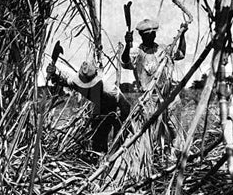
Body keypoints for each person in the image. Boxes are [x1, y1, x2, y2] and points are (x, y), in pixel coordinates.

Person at [121, 18, 188, 157]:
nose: (151, 37)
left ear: (155, 35)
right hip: (149, 98)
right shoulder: (136, 53)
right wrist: (127, 44)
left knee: (175, 128)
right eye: (147, 35)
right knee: (150, 131)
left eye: (153, 34)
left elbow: (180, 54)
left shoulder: (163, 49)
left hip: (169, 96)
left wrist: (182, 35)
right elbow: (125, 62)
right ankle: (153, 158)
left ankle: (175, 157)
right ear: (141, 36)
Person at [46, 60, 130, 154]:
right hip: (99, 108)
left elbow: (126, 106)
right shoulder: (77, 81)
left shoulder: (109, 89)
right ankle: (98, 156)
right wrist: (54, 74)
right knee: (97, 139)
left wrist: (120, 126)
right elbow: (64, 81)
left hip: (112, 108)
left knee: (117, 141)